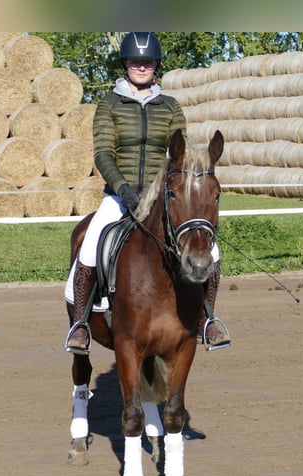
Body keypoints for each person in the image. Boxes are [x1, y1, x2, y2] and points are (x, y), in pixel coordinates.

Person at [65, 32, 230, 354]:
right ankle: (82, 324)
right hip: (120, 194)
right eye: (136, 61)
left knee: (212, 251)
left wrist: (171, 188)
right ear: (126, 64)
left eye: (148, 62)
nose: (142, 67)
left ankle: (206, 320)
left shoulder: (169, 106)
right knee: (91, 245)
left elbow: (177, 154)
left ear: (156, 66)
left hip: (160, 196)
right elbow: (103, 153)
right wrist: (121, 188)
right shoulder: (109, 104)